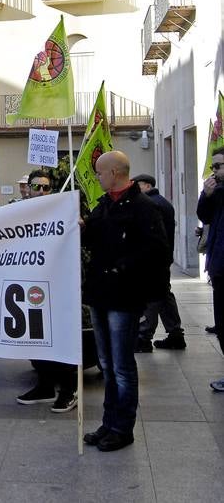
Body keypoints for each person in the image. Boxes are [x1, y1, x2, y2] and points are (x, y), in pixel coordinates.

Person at [82, 151, 170, 451]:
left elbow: (157, 250)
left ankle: (123, 428)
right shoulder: (104, 205)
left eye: (99, 172)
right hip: (99, 293)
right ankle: (108, 423)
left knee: (121, 366)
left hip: (124, 295)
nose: (97, 177)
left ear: (115, 172)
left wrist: (122, 266)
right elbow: (91, 238)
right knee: (106, 363)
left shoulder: (143, 208)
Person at [16, 172, 78, 413]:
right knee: (35, 340)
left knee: (60, 340)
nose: (42, 191)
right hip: (29, 288)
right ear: (28, 188)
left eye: (46, 187)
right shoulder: (18, 214)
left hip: (56, 288)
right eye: (36, 187)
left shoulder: (63, 212)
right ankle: (44, 386)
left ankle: (68, 389)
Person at [132, 173, 185, 352]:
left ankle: (143, 337)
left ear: (147, 185)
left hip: (153, 261)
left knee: (152, 297)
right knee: (164, 294)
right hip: (161, 258)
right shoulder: (163, 202)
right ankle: (175, 333)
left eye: (137, 186)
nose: (134, 189)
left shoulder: (152, 204)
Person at [196, 146, 224, 391]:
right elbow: (203, 216)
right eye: (213, 166)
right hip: (219, 267)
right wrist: (206, 194)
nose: (214, 171)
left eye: (218, 166)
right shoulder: (214, 192)